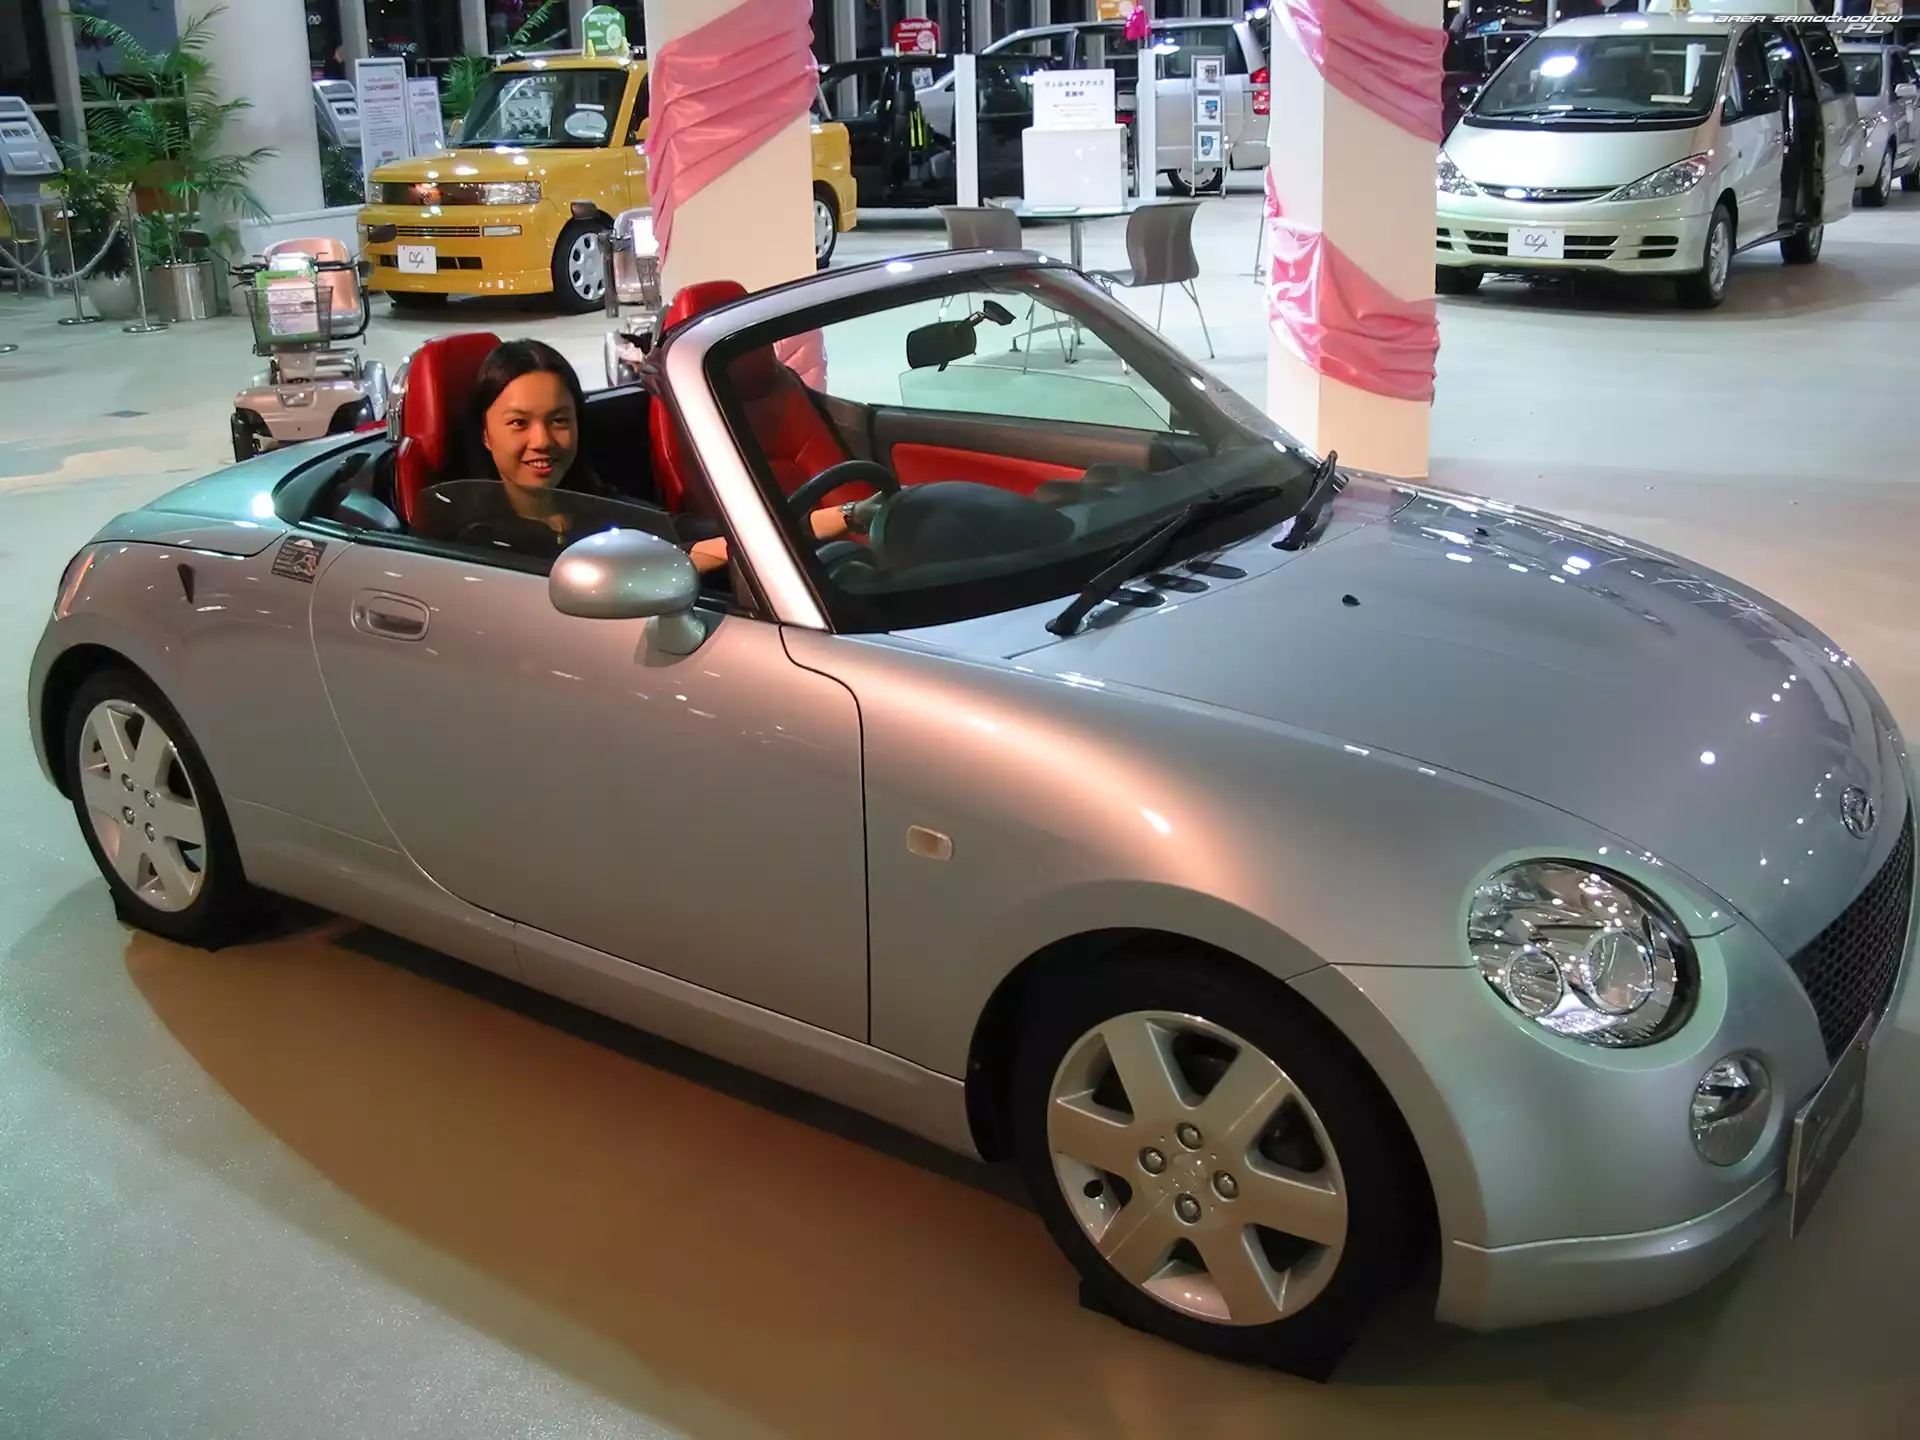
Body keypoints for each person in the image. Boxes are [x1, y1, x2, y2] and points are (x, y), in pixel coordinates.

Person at [431, 338, 881, 573]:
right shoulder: (479, 540)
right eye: (518, 423)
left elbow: (698, 533)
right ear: (485, 434)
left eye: (559, 420)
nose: (542, 440)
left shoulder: (595, 503)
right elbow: (672, 560)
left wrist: (848, 515)